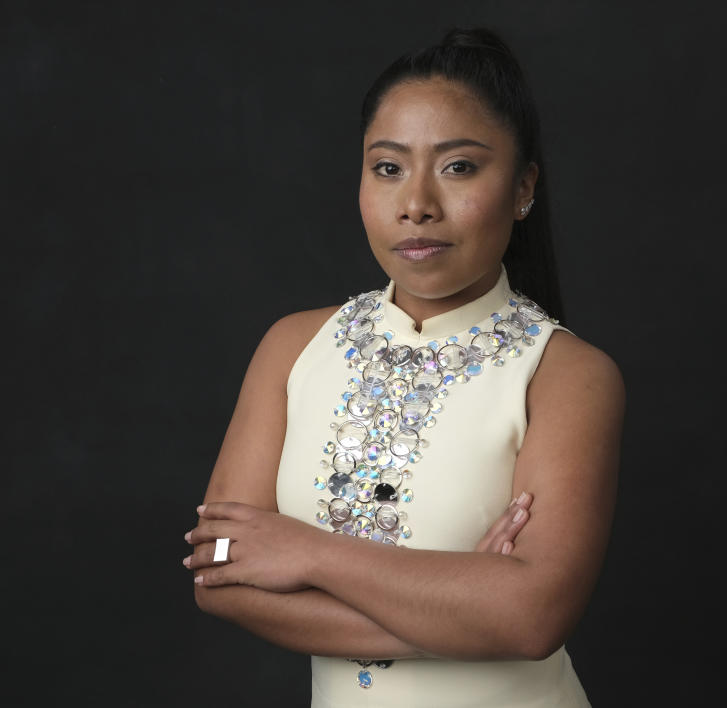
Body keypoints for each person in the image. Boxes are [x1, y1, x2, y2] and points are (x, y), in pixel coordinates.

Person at [183, 27, 625, 707]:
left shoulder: (567, 375)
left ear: (523, 187)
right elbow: (218, 575)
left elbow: (532, 618)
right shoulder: (293, 347)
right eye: (388, 167)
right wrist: (465, 603)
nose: (415, 203)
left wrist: (307, 553)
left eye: (458, 167)